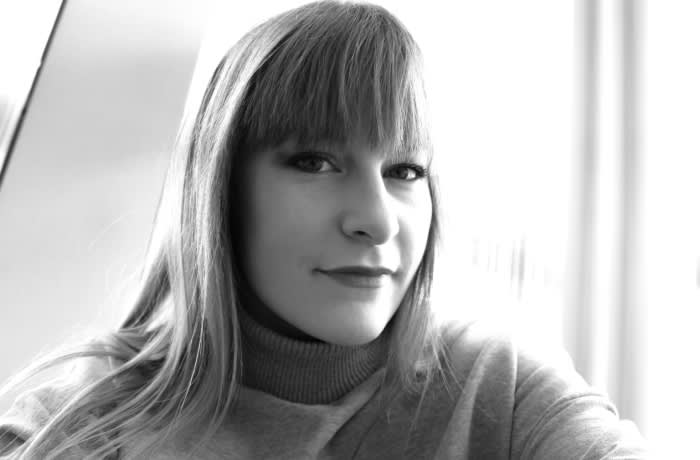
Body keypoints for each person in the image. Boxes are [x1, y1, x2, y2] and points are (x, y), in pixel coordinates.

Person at [0, 1, 650, 458]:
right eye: (315, 162)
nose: (376, 219)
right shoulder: (88, 420)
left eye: (405, 171)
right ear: (221, 188)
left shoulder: (499, 389)